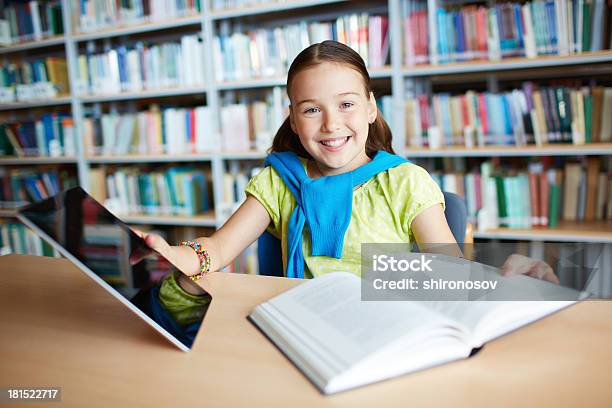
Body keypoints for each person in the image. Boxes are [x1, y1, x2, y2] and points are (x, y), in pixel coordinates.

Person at [134, 41, 558, 318]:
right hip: (300, 324)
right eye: (312, 109)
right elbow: (218, 247)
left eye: (347, 104)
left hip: (384, 326)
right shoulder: (276, 182)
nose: (331, 124)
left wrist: (508, 273)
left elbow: (452, 273)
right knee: (179, 298)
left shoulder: (406, 182)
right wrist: (168, 252)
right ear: (295, 121)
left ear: (371, 108)